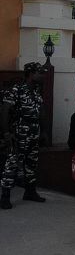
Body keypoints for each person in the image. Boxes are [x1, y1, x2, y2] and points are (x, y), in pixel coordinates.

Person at [0, 62, 48, 209]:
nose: (43, 76)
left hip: (34, 132)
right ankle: (5, 197)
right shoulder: (17, 90)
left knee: (31, 162)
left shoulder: (36, 91)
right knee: (12, 163)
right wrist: (6, 133)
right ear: (31, 74)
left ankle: (30, 192)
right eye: (40, 73)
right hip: (19, 132)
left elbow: (41, 112)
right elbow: (5, 111)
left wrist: (44, 131)